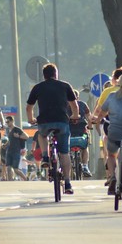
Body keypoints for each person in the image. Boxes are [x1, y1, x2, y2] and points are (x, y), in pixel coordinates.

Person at [26, 63, 81, 195]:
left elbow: (29, 107)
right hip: (62, 121)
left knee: (42, 135)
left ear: (44, 76)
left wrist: (30, 119)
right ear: (56, 74)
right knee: (64, 153)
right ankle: (67, 183)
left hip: (44, 121)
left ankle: (45, 157)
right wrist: (75, 116)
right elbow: (74, 105)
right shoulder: (65, 85)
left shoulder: (38, 88)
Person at [91, 66, 122, 184]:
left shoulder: (109, 93)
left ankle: (110, 176)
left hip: (112, 126)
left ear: (115, 79)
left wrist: (95, 119)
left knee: (109, 150)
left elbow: (99, 111)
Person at [67, 89, 92, 178]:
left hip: (69, 130)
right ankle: (85, 166)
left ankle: (67, 165)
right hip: (82, 130)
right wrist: (90, 126)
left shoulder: (65, 105)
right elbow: (89, 117)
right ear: (78, 97)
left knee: (66, 148)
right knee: (85, 145)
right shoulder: (83, 104)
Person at [3, 116, 29, 181]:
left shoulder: (17, 129)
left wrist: (19, 136)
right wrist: (5, 145)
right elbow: (10, 140)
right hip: (9, 151)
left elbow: (26, 136)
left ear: (12, 121)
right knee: (8, 167)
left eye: (8, 122)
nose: (7, 123)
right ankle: (10, 181)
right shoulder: (8, 130)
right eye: (6, 122)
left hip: (16, 151)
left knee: (15, 169)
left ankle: (25, 179)